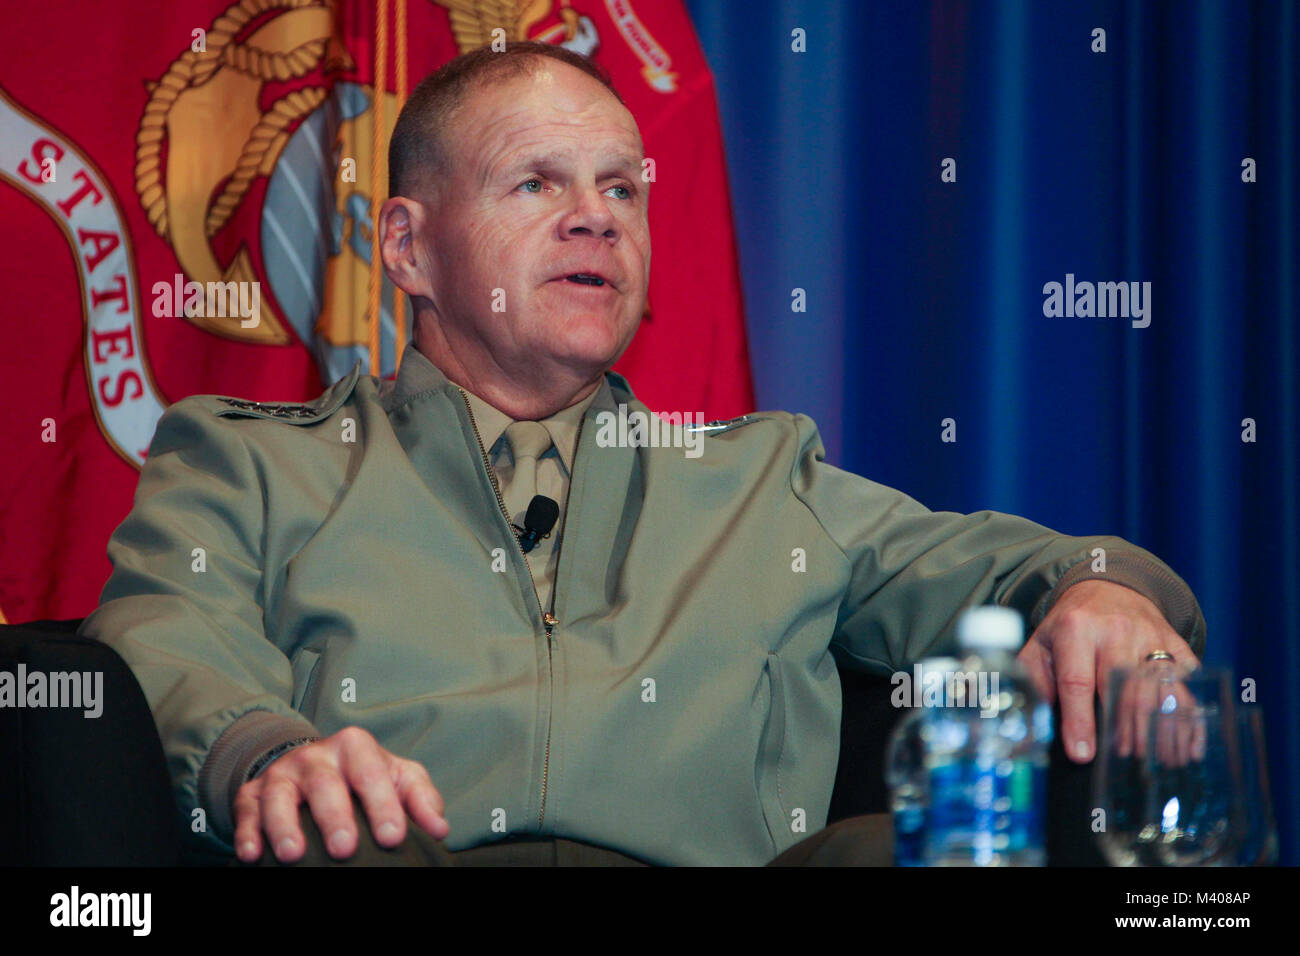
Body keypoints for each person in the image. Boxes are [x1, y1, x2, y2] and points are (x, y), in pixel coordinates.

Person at [79, 42, 1206, 867]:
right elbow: (166, 630)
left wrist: (1096, 586)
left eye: (622, 188)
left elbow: (1006, 567)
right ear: (408, 247)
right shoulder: (250, 461)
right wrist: (265, 748)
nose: (597, 218)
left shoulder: (766, 480)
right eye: (537, 183)